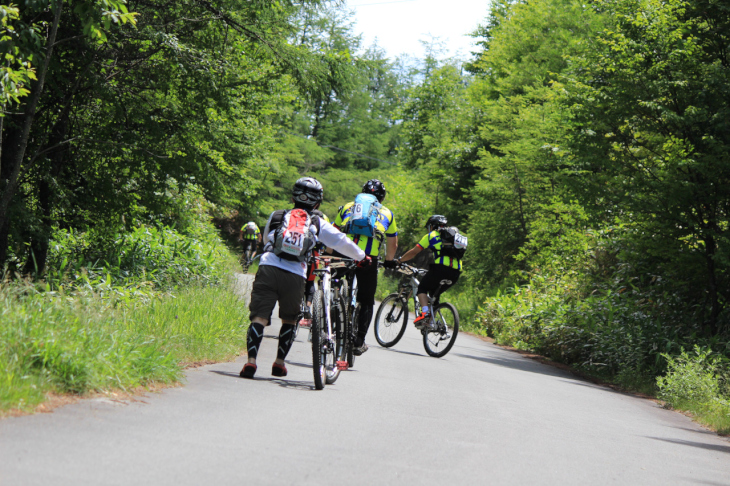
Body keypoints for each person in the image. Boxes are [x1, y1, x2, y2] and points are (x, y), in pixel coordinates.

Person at [240, 177, 370, 379]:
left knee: (259, 316)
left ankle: (251, 362)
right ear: (317, 203)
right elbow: (340, 241)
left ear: (293, 198)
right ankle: (279, 363)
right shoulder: (318, 221)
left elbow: (267, 240)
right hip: (296, 274)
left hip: (268, 267)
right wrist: (362, 257)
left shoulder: (277, 215)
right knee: (290, 319)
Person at [334, 179, 398, 355]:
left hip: (344, 255)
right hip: (368, 259)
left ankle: (331, 324)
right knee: (367, 300)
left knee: (335, 287)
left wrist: (329, 253)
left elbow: (333, 230)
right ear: (382, 197)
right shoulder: (387, 213)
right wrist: (389, 260)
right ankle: (359, 341)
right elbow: (393, 242)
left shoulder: (348, 206)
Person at [397, 215, 464, 328]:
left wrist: (399, 261)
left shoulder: (431, 235)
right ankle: (430, 323)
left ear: (432, 226)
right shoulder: (454, 237)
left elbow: (414, 252)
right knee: (434, 296)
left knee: (422, 288)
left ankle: (425, 313)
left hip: (440, 269)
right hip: (456, 273)